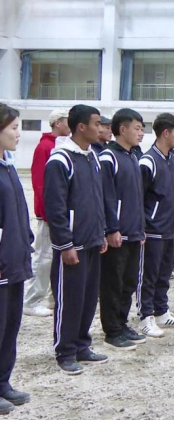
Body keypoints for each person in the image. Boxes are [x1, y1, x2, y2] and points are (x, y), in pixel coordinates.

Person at [45, 105, 109, 375]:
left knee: (87, 298)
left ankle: (82, 344)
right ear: (81, 127)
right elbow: (55, 206)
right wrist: (65, 244)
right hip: (72, 244)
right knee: (69, 298)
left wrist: (101, 231)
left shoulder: (92, 156)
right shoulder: (60, 160)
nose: (101, 128)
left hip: (92, 239)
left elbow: (97, 198)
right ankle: (65, 351)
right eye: (96, 124)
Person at [98, 109, 147, 350]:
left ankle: (122, 322)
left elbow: (137, 197)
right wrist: (112, 228)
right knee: (112, 283)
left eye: (142, 129)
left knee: (128, 282)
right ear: (122, 129)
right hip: (118, 233)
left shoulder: (133, 156)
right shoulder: (109, 158)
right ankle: (112, 330)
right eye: (137, 128)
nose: (141, 133)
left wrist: (141, 226)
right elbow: (107, 196)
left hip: (134, 231)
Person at [137, 113, 174, 338]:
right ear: (165, 133)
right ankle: (145, 317)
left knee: (164, 274)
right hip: (153, 229)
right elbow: (138, 198)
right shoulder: (147, 161)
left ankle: (161, 311)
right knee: (148, 275)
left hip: (170, 228)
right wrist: (143, 227)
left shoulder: (173, 158)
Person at [0, 104, 33, 413]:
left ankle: (3, 382)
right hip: (1, 264)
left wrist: (25, 242)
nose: (18, 134)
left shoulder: (8, 166)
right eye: (13, 128)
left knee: (10, 327)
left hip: (15, 261)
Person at [25, 109, 70, 318]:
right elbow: (40, 183)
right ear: (58, 123)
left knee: (56, 258)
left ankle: (54, 298)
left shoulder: (62, 145)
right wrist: (47, 212)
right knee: (44, 257)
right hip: (48, 214)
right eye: (67, 121)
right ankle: (32, 300)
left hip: (60, 213)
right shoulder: (45, 147)